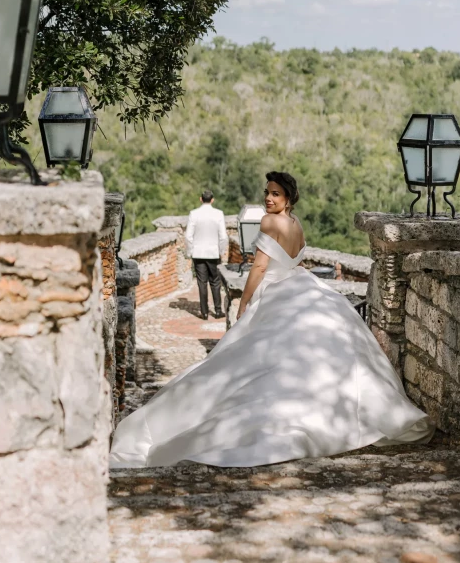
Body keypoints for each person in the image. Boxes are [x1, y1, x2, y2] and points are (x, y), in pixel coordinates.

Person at [110, 171, 434, 469]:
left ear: (288, 198)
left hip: (277, 289)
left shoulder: (268, 222)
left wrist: (245, 302)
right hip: (303, 285)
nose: (269, 198)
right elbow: (296, 259)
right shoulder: (296, 225)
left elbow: (261, 267)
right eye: (267, 192)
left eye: (275, 194)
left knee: (257, 356)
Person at [185, 189, 228, 320]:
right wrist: (221, 251)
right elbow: (223, 236)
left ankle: (204, 312)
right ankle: (218, 310)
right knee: (215, 282)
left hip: (198, 253)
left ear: (201, 199)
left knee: (201, 283)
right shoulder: (219, 214)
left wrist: (189, 251)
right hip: (213, 253)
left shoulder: (194, 214)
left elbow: (188, 236)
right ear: (212, 200)